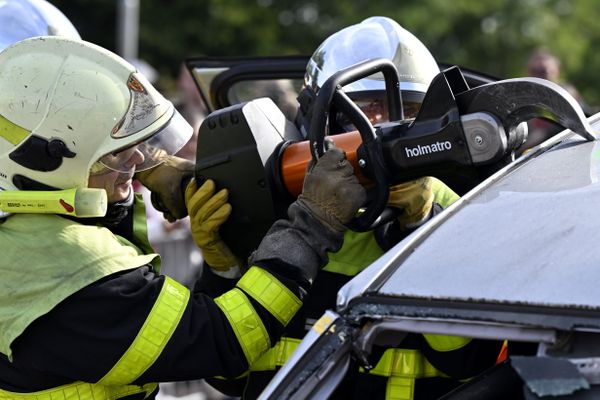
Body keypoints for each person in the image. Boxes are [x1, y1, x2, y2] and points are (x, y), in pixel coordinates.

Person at [0, 36, 366, 399]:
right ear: (42, 161)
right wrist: (313, 225)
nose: (138, 159)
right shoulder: (72, 272)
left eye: (134, 147)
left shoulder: (23, 229)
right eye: (114, 152)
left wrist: (140, 170)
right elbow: (223, 340)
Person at [201, 17, 505, 400]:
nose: (383, 130)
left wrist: (421, 230)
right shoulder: (272, 203)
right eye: (364, 111)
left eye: (405, 112)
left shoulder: (454, 207)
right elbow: (223, 373)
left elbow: (469, 364)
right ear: (318, 117)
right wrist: (221, 269)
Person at [522, 48, 590, 150]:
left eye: (543, 71)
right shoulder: (520, 97)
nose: (538, 75)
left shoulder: (567, 94)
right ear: (528, 72)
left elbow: (586, 121)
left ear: (557, 71)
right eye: (534, 71)